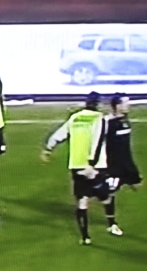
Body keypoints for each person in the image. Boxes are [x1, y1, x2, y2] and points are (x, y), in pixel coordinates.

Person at [42, 92, 112, 245]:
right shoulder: (100, 119)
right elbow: (98, 141)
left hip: (76, 164)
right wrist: (92, 163)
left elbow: (59, 134)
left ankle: (85, 237)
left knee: (82, 200)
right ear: (98, 104)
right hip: (95, 166)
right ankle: (112, 224)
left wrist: (48, 148)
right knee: (106, 196)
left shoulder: (75, 117)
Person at [103, 93, 142, 236]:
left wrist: (132, 169)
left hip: (127, 165)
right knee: (109, 194)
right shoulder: (107, 124)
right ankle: (111, 224)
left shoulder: (125, 121)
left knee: (139, 186)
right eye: (126, 103)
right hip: (112, 166)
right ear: (117, 105)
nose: (128, 105)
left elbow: (125, 148)